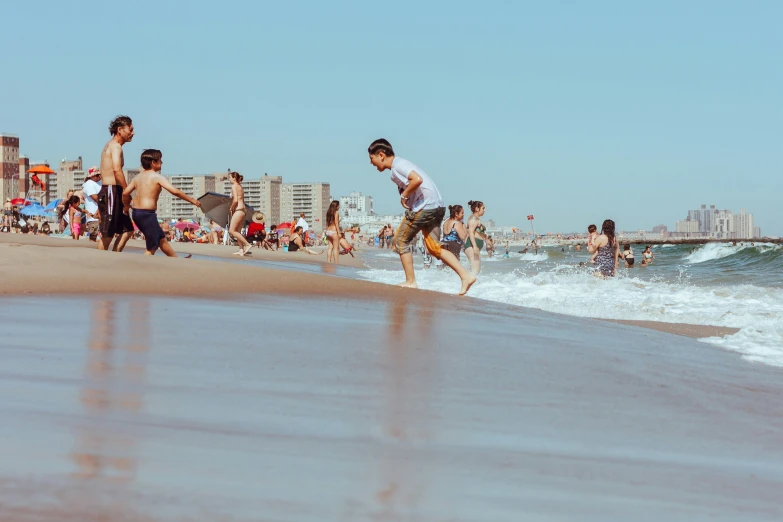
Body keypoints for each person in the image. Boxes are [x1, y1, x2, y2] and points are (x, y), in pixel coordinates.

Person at [367, 138, 476, 295]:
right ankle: (466, 276)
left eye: (372, 159)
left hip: (426, 207)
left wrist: (404, 196)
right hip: (437, 206)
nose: (372, 163)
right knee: (433, 247)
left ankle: (411, 282)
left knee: (400, 241)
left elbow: (417, 180)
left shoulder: (397, 165)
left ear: (381, 155)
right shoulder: (399, 166)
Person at [121, 149, 201, 257]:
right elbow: (174, 191)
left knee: (161, 239)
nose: (162, 162)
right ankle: (141, 267)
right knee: (152, 245)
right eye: (160, 160)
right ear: (153, 163)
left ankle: (176, 260)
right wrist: (193, 201)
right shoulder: (156, 177)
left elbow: (125, 193)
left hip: (136, 213)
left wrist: (126, 205)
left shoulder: (137, 177)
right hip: (147, 214)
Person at [98, 115, 135, 252]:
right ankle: (99, 261)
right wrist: (127, 190)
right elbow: (116, 170)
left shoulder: (113, 146)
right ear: (120, 130)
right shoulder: (115, 147)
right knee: (108, 232)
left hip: (114, 191)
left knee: (128, 229)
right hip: (111, 190)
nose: (133, 133)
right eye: (130, 129)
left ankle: (115, 256)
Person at [228, 172, 252, 256]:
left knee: (232, 231)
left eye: (230, 177)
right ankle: (241, 249)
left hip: (238, 210)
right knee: (237, 231)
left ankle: (247, 244)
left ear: (234, 178)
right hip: (242, 210)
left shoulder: (234, 186)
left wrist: (231, 208)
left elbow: (235, 200)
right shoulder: (240, 187)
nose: (229, 179)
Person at [464, 200, 487, 275]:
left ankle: (471, 284)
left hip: (474, 245)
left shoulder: (476, 219)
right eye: (483, 208)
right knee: (475, 270)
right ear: (477, 209)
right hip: (471, 246)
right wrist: (475, 246)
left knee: (475, 270)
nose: (484, 210)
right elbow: (470, 232)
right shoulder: (473, 219)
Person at [82, 167, 102, 242]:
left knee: (102, 236)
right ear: (92, 176)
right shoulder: (88, 184)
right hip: (93, 215)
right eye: (97, 175)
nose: (99, 176)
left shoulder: (99, 183)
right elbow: (96, 198)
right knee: (94, 236)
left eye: (99, 175)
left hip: (101, 214)